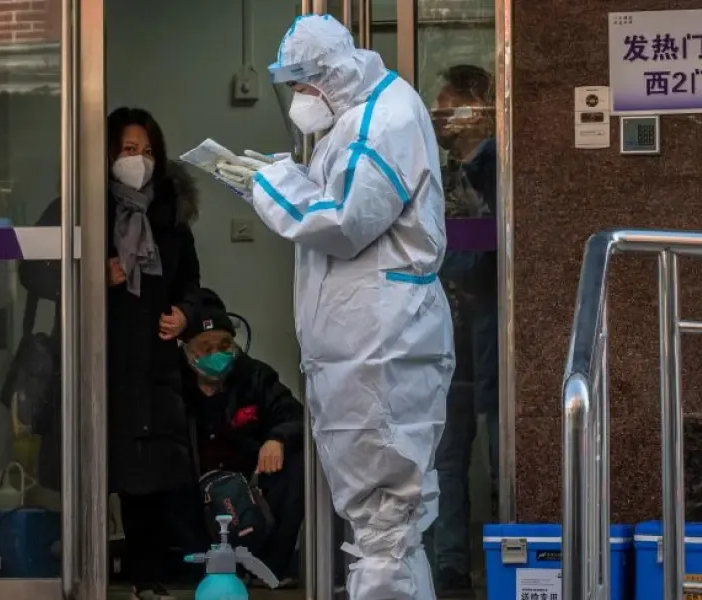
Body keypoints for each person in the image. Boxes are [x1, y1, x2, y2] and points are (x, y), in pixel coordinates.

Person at [212, 14, 455, 600]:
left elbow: (346, 221)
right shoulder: (358, 116)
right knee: (384, 526)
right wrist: (274, 180)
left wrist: (272, 186)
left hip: (380, 345)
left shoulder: (382, 120)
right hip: (368, 344)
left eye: (301, 83)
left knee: (384, 521)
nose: (298, 97)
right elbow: (342, 199)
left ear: (331, 75)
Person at [19, 107, 207, 600]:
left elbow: (191, 282)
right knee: (88, 476)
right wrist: (91, 277)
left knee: (148, 482)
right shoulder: (76, 208)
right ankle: (80, 578)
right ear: (106, 155)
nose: (138, 160)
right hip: (93, 363)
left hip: (151, 368)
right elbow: (32, 271)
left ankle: (147, 580)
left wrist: (184, 315)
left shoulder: (171, 216)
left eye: (147, 151)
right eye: (128, 150)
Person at [178, 295, 304, 587]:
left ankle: (272, 567)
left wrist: (277, 439)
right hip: (193, 487)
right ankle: (198, 568)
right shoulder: (174, 384)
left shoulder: (255, 376)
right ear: (188, 352)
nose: (217, 354)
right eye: (206, 348)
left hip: (250, 483)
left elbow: (294, 415)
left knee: (297, 464)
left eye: (224, 345)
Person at [430, 63, 499, 595]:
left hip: (491, 329)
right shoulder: (450, 171)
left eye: (448, 106)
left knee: (497, 452)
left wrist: (436, 266)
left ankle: (500, 559)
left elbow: (485, 254)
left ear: (478, 109)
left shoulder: (496, 167)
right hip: (454, 331)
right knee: (448, 456)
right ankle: (450, 565)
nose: (439, 117)